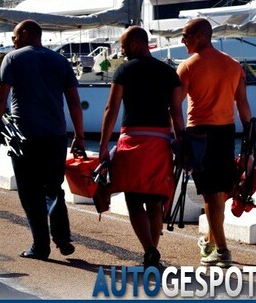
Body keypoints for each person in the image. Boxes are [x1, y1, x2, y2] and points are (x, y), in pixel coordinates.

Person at [0, 19, 85, 261]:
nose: (13, 41)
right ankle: (63, 238)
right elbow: (74, 102)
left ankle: (40, 246)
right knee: (54, 189)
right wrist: (79, 136)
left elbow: (1, 97)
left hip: (25, 137)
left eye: (14, 37)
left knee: (30, 193)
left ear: (25, 33)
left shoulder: (13, 58)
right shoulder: (61, 61)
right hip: (55, 136)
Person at [98, 26, 184, 268]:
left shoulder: (124, 71)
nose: (122, 50)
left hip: (133, 142)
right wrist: (180, 143)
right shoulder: (169, 73)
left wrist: (104, 146)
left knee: (134, 201)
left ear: (137, 43)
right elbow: (177, 114)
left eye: (124, 45)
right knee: (155, 202)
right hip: (159, 144)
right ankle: (152, 252)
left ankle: (149, 251)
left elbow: (111, 110)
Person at [177, 18, 251, 268]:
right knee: (218, 191)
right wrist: (250, 133)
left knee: (209, 193)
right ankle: (209, 244)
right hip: (226, 132)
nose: (182, 40)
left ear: (199, 36)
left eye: (186, 35)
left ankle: (222, 250)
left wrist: (177, 135)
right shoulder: (233, 65)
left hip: (199, 132)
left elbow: (174, 105)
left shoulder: (188, 66)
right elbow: (242, 104)